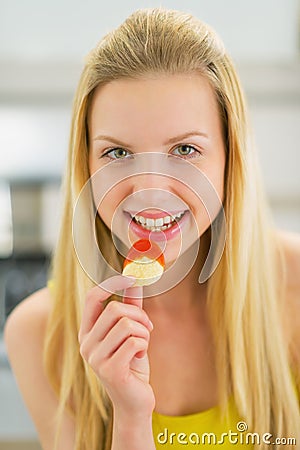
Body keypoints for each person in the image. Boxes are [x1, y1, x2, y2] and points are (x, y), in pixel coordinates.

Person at [4, 7, 300, 450]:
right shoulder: (40, 334)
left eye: (184, 149)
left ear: (229, 157)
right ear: (85, 164)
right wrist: (130, 417)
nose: (150, 190)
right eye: (118, 154)